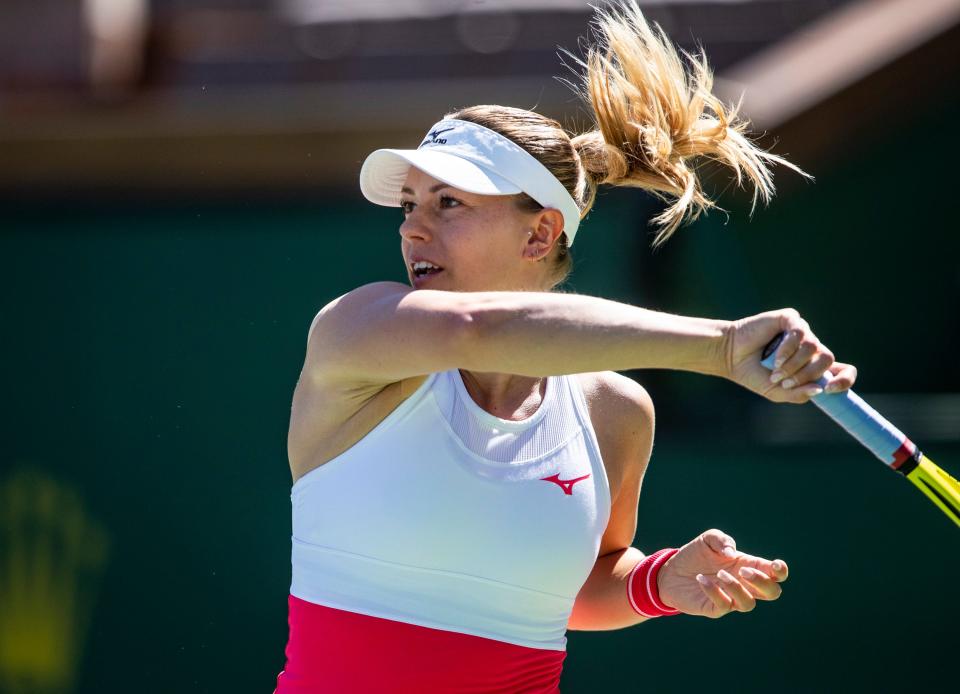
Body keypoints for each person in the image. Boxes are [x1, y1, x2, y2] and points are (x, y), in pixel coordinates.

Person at [274, 4, 857, 692]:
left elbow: (569, 590)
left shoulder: (616, 413)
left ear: (540, 234)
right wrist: (724, 346)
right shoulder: (355, 331)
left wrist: (655, 582)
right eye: (410, 204)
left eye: (448, 203)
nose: (413, 230)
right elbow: (476, 328)